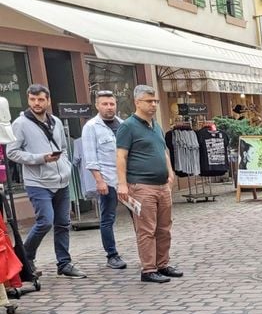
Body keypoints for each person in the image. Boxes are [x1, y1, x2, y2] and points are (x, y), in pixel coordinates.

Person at [7, 84, 86, 278]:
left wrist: (65, 165)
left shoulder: (56, 122)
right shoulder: (20, 123)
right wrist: (41, 158)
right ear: (28, 100)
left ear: (48, 101)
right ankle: (25, 258)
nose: (36, 103)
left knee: (63, 223)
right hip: (38, 182)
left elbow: (63, 147)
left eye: (40, 99)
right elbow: (12, 152)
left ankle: (64, 264)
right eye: (33, 99)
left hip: (61, 181)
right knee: (45, 221)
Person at [116, 85, 183, 283]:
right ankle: (148, 269)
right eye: (149, 101)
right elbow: (121, 156)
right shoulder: (128, 126)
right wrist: (122, 184)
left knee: (164, 228)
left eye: (155, 101)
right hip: (141, 186)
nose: (153, 104)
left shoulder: (156, 125)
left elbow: (163, 151)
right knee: (147, 229)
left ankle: (163, 264)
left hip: (162, 185)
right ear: (137, 102)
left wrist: (170, 173)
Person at [81, 90, 127, 270]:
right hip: (107, 179)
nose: (109, 107)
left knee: (138, 215)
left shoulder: (123, 125)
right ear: (97, 105)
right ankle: (112, 255)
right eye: (105, 104)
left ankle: (145, 251)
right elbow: (90, 158)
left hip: (126, 179)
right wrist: (99, 181)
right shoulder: (91, 127)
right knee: (108, 218)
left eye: (112, 104)